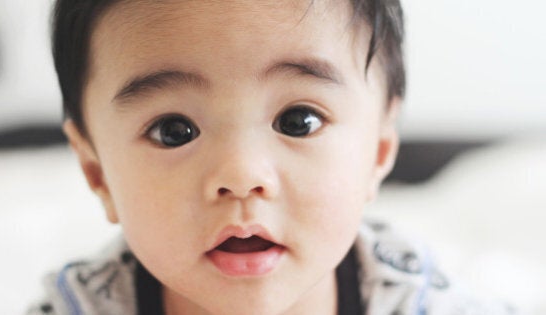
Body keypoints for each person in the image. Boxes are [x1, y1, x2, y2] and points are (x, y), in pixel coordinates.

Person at [29, 0, 513, 314]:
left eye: (298, 120)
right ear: (98, 174)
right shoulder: (82, 305)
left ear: (379, 150)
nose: (241, 177)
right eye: (173, 131)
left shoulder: (424, 302)